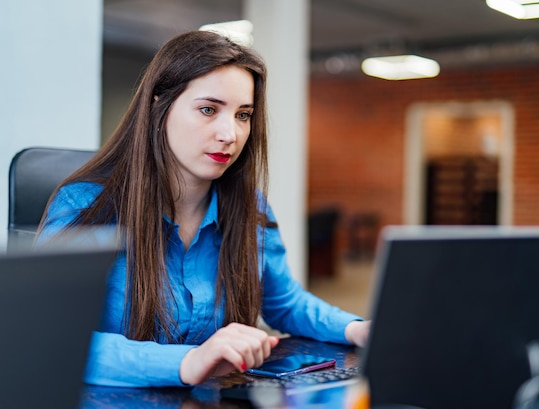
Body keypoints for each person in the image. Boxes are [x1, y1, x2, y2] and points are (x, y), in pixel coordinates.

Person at [37, 30, 370, 388]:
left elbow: (285, 304)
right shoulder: (86, 206)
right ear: (157, 106)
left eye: (243, 115)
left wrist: (357, 328)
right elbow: (49, 339)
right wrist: (187, 361)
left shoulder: (249, 207)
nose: (230, 133)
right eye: (208, 110)